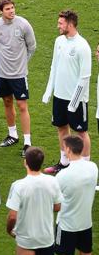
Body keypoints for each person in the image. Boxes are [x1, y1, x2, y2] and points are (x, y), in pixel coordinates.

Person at [5, 147, 63, 255]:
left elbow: (12, 215)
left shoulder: (19, 185)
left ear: (26, 162)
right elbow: (57, 206)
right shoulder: (52, 182)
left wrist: (9, 230)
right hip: (46, 236)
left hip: (26, 237)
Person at [42, 10, 92, 174]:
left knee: (81, 132)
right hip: (59, 97)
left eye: (61, 23)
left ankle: (84, 168)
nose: (58, 26)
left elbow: (84, 77)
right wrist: (49, 91)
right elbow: (54, 67)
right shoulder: (59, 41)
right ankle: (64, 162)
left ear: (70, 24)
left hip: (76, 100)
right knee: (62, 128)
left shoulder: (82, 46)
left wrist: (74, 102)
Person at [0, 0, 36, 156]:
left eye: (12, 7)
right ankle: (12, 134)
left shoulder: (23, 24)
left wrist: (22, 62)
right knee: (7, 102)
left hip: (19, 74)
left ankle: (28, 142)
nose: (11, 11)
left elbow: (32, 46)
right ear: (0, 11)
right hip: (1, 73)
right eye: (7, 9)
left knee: (22, 106)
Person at [54, 135, 97, 255]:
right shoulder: (93, 167)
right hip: (86, 222)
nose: (64, 150)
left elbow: (55, 204)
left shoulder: (63, 176)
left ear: (69, 150)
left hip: (66, 224)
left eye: (64, 147)